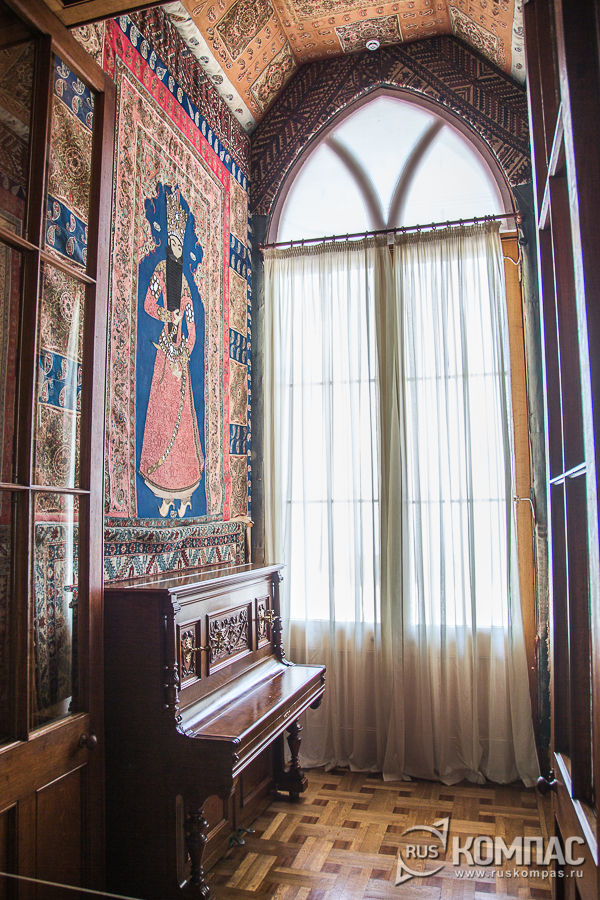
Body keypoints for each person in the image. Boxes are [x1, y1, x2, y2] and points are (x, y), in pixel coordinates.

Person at [138, 187, 204, 517]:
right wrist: (168, 315)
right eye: (173, 242)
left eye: (180, 244)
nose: (176, 248)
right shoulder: (161, 272)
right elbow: (149, 305)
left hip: (179, 358)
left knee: (184, 427)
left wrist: (186, 351)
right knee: (161, 422)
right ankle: (162, 492)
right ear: (168, 243)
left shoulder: (186, 284)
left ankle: (184, 492)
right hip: (164, 352)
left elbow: (192, 325)